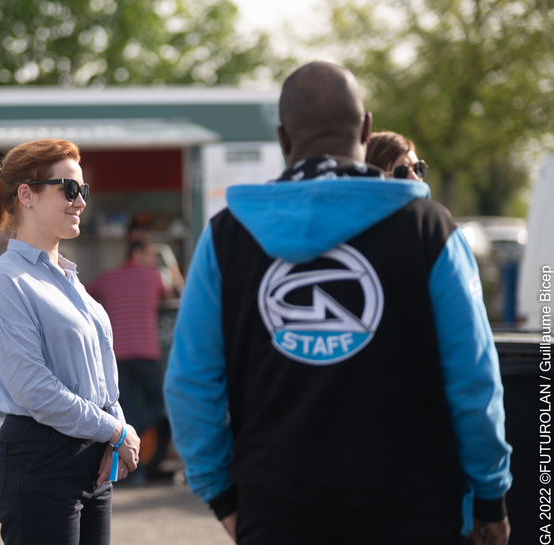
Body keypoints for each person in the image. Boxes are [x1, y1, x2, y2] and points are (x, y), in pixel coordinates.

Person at [164, 61, 512, 545]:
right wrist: (490, 496)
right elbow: (473, 380)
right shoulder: (429, 229)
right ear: (366, 129)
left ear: (283, 138)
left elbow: (190, 384)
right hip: (414, 513)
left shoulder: (227, 236)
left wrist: (222, 497)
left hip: (276, 516)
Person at [0, 139, 141, 545]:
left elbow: (100, 376)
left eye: (83, 190)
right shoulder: (6, 280)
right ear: (26, 195)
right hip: (41, 459)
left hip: (92, 455)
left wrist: (114, 427)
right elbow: (33, 389)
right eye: (69, 189)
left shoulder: (68, 278)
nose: (80, 201)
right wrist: (115, 431)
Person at [87, 237, 171, 483]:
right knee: (161, 404)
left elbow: (81, 293)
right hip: (146, 353)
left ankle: (135, 466)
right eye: (150, 253)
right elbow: (172, 292)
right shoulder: (154, 276)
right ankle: (133, 434)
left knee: (127, 411)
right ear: (137, 254)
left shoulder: (107, 278)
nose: (154, 258)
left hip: (117, 357)